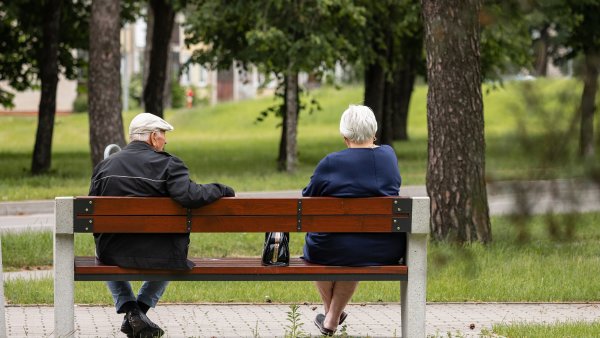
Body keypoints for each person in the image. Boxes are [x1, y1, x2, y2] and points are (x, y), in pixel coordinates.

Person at [89, 113, 235, 338]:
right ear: (153, 137)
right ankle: (139, 312)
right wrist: (221, 189)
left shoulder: (104, 167)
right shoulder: (169, 164)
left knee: (101, 247)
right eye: (163, 135)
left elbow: (94, 216)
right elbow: (190, 196)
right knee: (173, 251)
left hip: (113, 252)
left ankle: (132, 312)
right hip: (163, 254)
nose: (165, 141)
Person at [301, 105, 406, 336]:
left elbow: (308, 199)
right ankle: (331, 318)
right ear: (374, 132)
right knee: (357, 247)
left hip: (329, 248)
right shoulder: (389, 156)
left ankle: (331, 316)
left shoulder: (331, 162)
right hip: (383, 247)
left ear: (345, 136)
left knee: (321, 241)